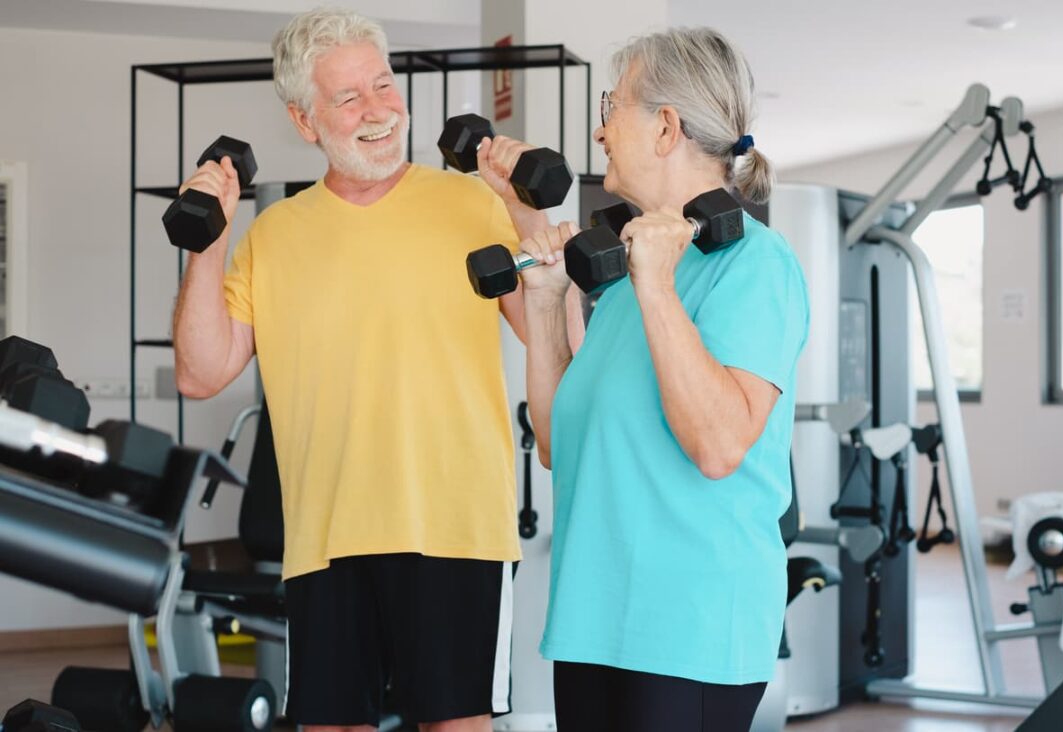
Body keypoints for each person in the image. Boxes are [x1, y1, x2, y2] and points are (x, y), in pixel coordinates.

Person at [171, 8, 554, 732]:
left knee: (455, 724)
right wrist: (208, 244)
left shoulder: (474, 203)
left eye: (382, 85)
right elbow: (200, 372)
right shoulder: (274, 234)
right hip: (326, 533)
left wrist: (526, 215)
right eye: (348, 97)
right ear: (305, 120)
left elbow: (549, 333)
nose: (378, 111)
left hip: (456, 529)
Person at [516, 27, 810, 732]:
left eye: (611, 107)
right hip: (593, 622)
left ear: (666, 127)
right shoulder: (625, 281)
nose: (600, 130)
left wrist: (656, 285)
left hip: (689, 629)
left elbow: (718, 446)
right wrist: (547, 304)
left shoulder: (755, 265)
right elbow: (557, 443)